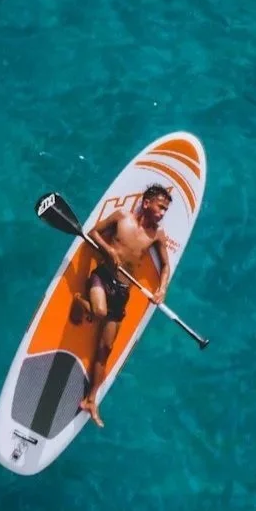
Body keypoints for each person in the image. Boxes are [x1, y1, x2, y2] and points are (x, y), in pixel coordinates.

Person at [71, 183, 172, 427]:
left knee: (105, 350)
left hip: (123, 292)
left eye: (165, 210)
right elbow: (93, 232)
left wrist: (162, 290)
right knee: (100, 312)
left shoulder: (157, 235)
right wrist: (109, 251)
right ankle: (80, 301)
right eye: (160, 207)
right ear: (146, 203)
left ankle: (91, 400)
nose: (162, 213)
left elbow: (166, 266)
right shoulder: (121, 217)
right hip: (101, 277)